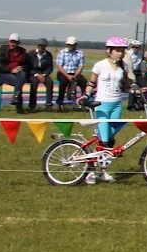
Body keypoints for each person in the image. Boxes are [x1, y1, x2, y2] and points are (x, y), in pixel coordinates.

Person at [89, 38, 133, 181]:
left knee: (109, 140)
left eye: (122, 51)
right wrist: (85, 95)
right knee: (104, 140)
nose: (120, 54)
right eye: (118, 50)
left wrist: (135, 89)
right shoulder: (100, 65)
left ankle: (103, 172)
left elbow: (125, 85)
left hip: (117, 105)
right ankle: (91, 172)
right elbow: (91, 82)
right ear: (109, 51)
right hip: (102, 105)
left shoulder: (124, 67)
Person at [0, 32, 28, 112]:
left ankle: (15, 99)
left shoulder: (22, 51)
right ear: (8, 41)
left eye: (15, 42)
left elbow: (27, 65)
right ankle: (18, 106)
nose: (12, 44)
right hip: (4, 73)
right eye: (11, 41)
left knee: (22, 75)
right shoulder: (2, 49)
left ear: (18, 43)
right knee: (19, 82)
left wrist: (21, 67)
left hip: (18, 73)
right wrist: (11, 70)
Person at [25, 38, 56, 112]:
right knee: (34, 83)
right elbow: (28, 67)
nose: (41, 47)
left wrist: (44, 75)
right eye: (39, 45)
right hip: (33, 74)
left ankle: (48, 104)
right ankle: (32, 105)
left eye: (43, 46)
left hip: (44, 74)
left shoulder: (48, 55)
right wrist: (36, 74)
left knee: (50, 82)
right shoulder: (30, 54)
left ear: (45, 46)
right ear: (37, 46)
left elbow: (50, 67)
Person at [56, 36, 87, 108]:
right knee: (63, 83)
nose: (70, 46)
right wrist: (67, 76)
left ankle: (83, 101)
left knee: (84, 82)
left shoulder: (80, 53)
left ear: (75, 44)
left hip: (75, 73)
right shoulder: (62, 52)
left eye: (72, 44)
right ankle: (60, 102)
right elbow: (59, 66)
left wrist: (75, 76)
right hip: (63, 73)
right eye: (68, 44)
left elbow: (81, 66)